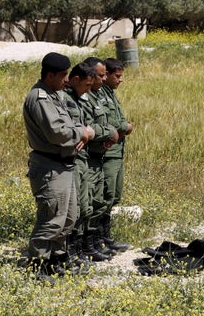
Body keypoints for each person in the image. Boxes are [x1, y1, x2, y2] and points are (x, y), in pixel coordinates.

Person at [23, 52, 94, 279]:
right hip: (49, 168)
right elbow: (57, 133)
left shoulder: (55, 95)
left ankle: (57, 260)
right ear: (50, 75)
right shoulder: (40, 97)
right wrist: (81, 133)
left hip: (64, 165)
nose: (67, 79)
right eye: (63, 75)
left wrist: (78, 133)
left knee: (68, 217)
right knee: (51, 220)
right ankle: (37, 266)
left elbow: (70, 124)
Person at [65, 61, 114, 263]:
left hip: (87, 156)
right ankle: (72, 251)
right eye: (87, 84)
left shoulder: (81, 97)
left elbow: (91, 127)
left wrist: (99, 132)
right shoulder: (65, 99)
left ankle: (84, 247)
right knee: (78, 207)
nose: (90, 88)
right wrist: (99, 132)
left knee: (88, 205)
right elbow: (81, 128)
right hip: (77, 158)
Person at [81, 57, 121, 259]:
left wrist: (107, 134)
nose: (105, 78)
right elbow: (87, 126)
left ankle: (98, 240)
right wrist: (109, 133)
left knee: (103, 200)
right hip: (91, 156)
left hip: (102, 151)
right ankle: (86, 245)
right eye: (101, 75)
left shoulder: (100, 94)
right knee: (90, 203)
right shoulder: (83, 97)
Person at [99, 58, 133, 252]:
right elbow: (113, 121)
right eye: (117, 76)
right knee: (105, 196)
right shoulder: (101, 95)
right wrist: (126, 126)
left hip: (116, 152)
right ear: (107, 76)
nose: (121, 80)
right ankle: (98, 239)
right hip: (108, 153)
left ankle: (106, 237)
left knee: (114, 196)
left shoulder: (110, 94)